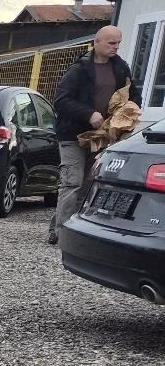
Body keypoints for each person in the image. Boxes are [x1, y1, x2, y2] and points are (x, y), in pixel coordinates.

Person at [49, 25, 135, 244]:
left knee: (88, 185)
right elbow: (61, 100)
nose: (116, 47)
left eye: (118, 43)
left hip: (101, 136)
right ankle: (63, 235)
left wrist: (126, 115)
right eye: (111, 43)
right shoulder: (79, 69)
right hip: (72, 136)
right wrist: (89, 114)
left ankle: (65, 224)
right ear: (97, 43)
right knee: (72, 183)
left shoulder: (122, 68)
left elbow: (134, 95)